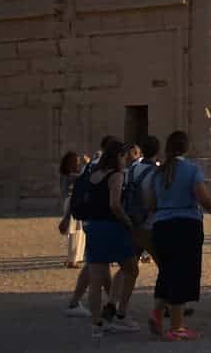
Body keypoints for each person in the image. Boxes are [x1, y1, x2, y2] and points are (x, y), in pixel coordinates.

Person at [147, 130, 211, 341]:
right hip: (185, 225)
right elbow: (205, 200)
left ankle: (157, 312)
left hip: (161, 225)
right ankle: (176, 327)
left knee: (167, 271)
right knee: (181, 273)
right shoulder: (191, 170)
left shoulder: (158, 172)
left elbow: (151, 203)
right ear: (186, 147)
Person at [81, 140, 140, 341]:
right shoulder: (116, 175)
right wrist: (128, 221)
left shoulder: (94, 174)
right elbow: (114, 204)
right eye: (124, 156)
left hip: (94, 227)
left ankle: (96, 325)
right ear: (118, 156)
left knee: (95, 280)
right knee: (131, 269)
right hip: (111, 227)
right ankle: (121, 312)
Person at [60, 136, 116, 318]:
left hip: (93, 221)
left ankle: (109, 305)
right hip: (101, 221)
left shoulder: (92, 166)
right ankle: (109, 309)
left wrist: (67, 217)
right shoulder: (102, 167)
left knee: (97, 263)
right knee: (102, 265)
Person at [128, 136, 160, 264]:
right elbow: (156, 201)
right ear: (158, 151)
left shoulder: (131, 170)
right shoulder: (157, 172)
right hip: (151, 225)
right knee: (166, 268)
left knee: (129, 270)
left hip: (133, 224)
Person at [58, 151, 86, 269]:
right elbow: (85, 178)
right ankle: (72, 260)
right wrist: (88, 164)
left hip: (72, 202)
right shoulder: (71, 176)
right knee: (75, 232)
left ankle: (74, 258)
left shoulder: (67, 175)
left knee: (77, 231)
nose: (78, 164)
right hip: (72, 203)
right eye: (77, 162)